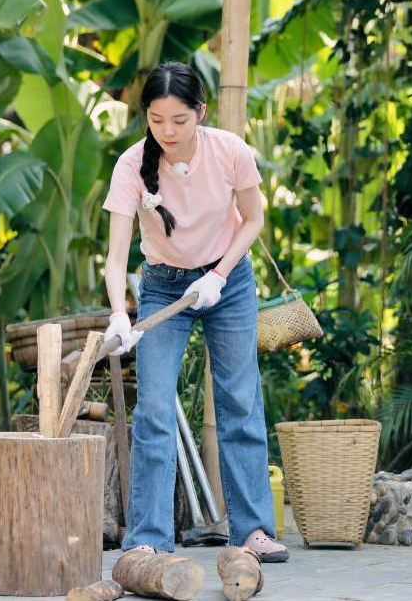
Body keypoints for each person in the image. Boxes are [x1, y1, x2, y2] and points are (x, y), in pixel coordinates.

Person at [101, 61, 288, 563]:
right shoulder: (130, 166)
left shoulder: (230, 151)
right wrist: (121, 313)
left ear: (200, 113)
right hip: (162, 288)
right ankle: (147, 538)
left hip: (227, 282)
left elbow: (254, 219)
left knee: (240, 402)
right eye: (157, 119)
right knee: (155, 410)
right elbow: (117, 256)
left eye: (179, 120)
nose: (167, 130)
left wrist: (219, 276)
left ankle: (252, 531)